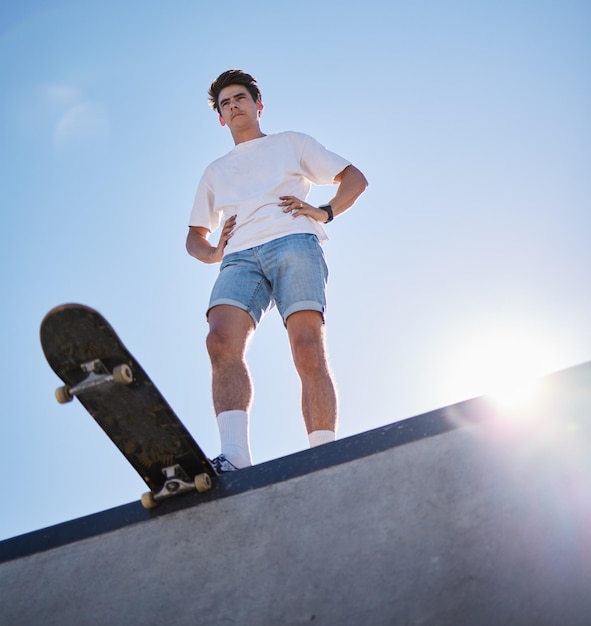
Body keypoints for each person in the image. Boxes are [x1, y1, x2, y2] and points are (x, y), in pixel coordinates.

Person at [186, 69, 368, 473]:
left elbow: (355, 179)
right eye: (225, 103)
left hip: (293, 243)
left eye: (240, 99)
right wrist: (217, 251)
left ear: (257, 105)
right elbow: (193, 238)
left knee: (307, 348)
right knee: (219, 342)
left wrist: (325, 211)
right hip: (240, 258)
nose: (233, 106)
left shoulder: (291, 143)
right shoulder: (215, 171)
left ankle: (323, 453)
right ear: (220, 117)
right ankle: (234, 457)